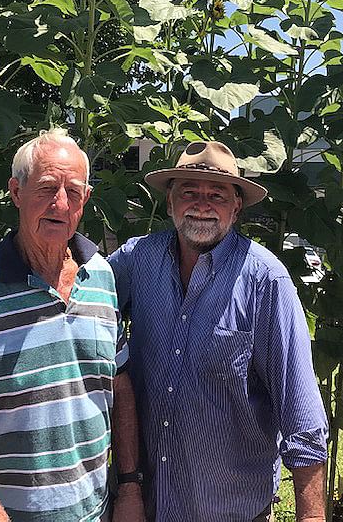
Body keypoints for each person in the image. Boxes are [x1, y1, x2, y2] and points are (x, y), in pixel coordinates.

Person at [0, 129, 145, 522]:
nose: (60, 204)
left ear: (86, 200)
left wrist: (128, 485)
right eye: (46, 188)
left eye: (74, 192)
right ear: (15, 192)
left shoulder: (101, 276)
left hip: (91, 513)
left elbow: (119, 384)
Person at [108, 140, 328, 522]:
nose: (202, 204)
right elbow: (84, 298)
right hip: (144, 503)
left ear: (236, 206)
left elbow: (301, 412)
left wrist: (310, 517)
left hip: (230, 509)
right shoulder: (137, 260)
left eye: (217, 194)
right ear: (170, 201)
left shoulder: (264, 280)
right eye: (189, 191)